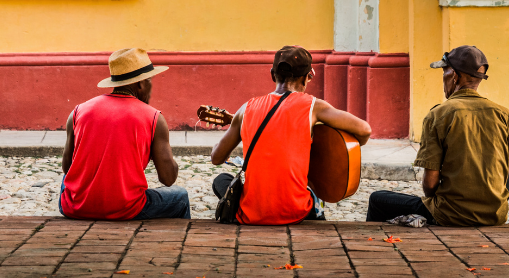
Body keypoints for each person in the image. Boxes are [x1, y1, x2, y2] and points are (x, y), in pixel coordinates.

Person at [210, 45, 371, 225]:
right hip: (296, 212)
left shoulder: (246, 108)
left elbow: (216, 158)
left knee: (222, 180)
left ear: (272, 74)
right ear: (309, 76)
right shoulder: (313, 106)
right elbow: (364, 130)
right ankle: (317, 216)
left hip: (251, 215)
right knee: (313, 187)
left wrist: (236, 126)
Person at [365, 45, 509, 227]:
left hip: (450, 214)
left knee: (378, 199)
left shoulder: (439, 115)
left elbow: (430, 185)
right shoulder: (504, 114)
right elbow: (508, 171)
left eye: (444, 72)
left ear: (454, 76)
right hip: (495, 215)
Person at [59, 48, 190, 220]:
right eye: (150, 81)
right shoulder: (154, 118)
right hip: (125, 208)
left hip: (75, 207)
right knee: (180, 196)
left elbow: (67, 168)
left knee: (65, 182)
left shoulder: (78, 111)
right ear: (141, 83)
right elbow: (168, 178)